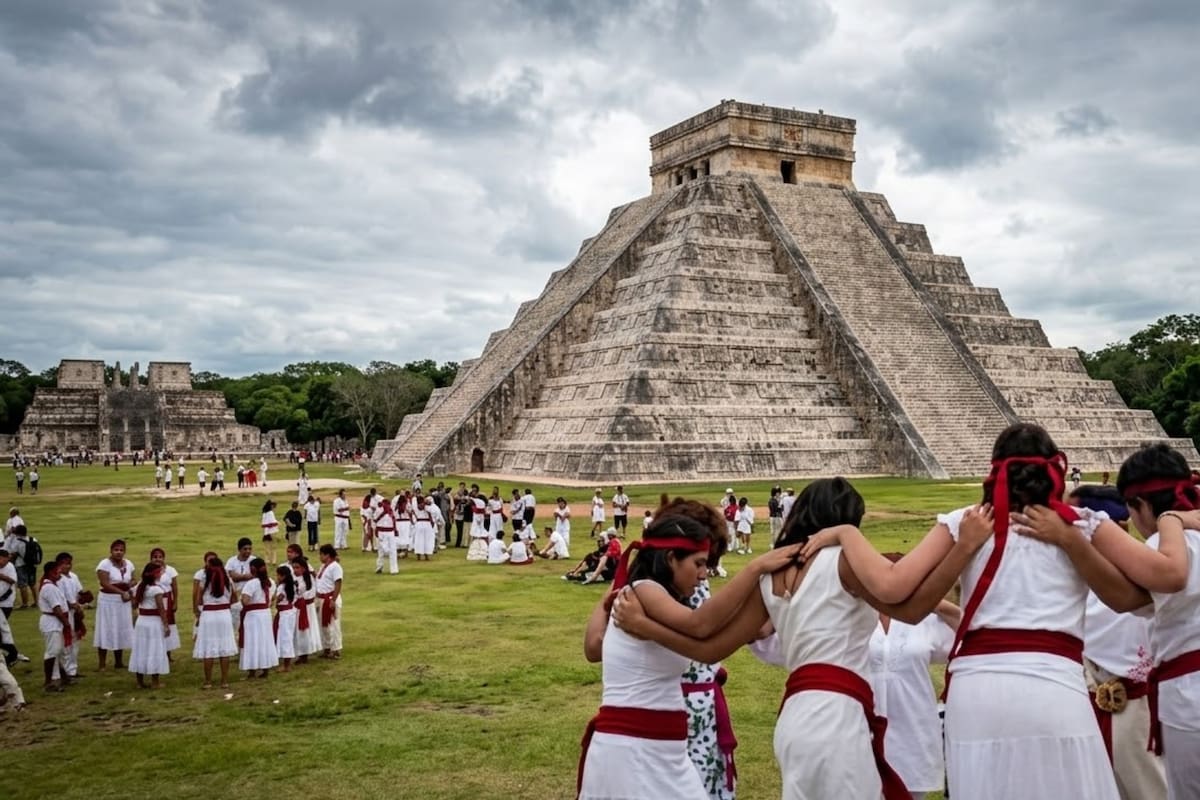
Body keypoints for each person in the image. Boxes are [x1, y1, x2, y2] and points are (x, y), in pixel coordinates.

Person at [610, 478, 996, 800]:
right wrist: (961, 549)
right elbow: (908, 605)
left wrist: (649, 629)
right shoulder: (845, 561)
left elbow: (709, 647)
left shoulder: (772, 573)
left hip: (795, 716)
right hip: (837, 715)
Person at [929, 423, 1139, 800]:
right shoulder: (1082, 525)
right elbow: (1132, 597)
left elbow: (899, 594)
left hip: (977, 692)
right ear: (1055, 468)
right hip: (1055, 687)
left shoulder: (967, 523)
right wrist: (1072, 541)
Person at [1016, 443, 1199, 798]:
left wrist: (1073, 538)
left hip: (1190, 694)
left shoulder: (1166, 542)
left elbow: (1126, 597)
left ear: (1141, 507)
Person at [577, 514, 800, 799]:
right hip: (635, 749)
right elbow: (701, 625)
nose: (704, 573)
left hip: (657, 748)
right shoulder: (645, 589)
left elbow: (710, 649)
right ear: (671, 558)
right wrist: (755, 568)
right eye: (698, 563)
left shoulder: (651, 600)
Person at [1068, 483, 1167, 800]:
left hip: (1136, 702)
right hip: (1082, 699)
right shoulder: (1072, 574)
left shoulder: (1147, 571)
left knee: (1148, 785)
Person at [192, 553, 237, 689]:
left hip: (209, 615)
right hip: (223, 615)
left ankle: (208, 681)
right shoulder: (228, 580)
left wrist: (199, 611)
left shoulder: (204, 579)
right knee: (224, 648)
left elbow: (198, 599)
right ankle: (224, 681)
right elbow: (234, 599)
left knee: (208, 648)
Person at [94, 539, 136, 672]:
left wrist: (130, 586)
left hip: (123, 601)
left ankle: (119, 661)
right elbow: (105, 583)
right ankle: (102, 663)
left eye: (121, 550)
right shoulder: (104, 564)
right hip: (108, 601)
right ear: (111, 551)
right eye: (116, 550)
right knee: (106, 629)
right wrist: (121, 592)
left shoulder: (128, 563)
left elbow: (134, 578)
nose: (119, 552)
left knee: (121, 628)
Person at [128, 563, 170, 689]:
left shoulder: (140, 587)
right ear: (155, 574)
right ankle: (155, 682)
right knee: (154, 649)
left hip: (142, 621)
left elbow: (134, 604)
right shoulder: (156, 589)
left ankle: (139, 682)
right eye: (160, 572)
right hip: (153, 622)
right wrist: (166, 624)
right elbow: (161, 608)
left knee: (141, 649)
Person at [237, 558, 277, 677]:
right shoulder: (271, 582)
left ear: (252, 569)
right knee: (264, 639)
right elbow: (273, 597)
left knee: (252, 639)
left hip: (253, 615)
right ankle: (265, 668)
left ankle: (252, 669)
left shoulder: (251, 583)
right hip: (265, 613)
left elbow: (245, 600)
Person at [37, 561, 70, 692]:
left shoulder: (50, 585)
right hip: (52, 621)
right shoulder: (49, 588)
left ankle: (63, 676)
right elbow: (56, 608)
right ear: (51, 572)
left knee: (58, 650)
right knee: (53, 650)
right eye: (58, 570)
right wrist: (65, 622)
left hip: (54, 621)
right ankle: (49, 681)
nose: (60, 573)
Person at [148, 548, 180, 658]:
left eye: (160, 557)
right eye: (155, 557)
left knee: (168, 623)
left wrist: (175, 602)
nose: (158, 559)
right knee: (157, 623)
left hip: (167, 599)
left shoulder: (170, 570)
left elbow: (175, 587)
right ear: (151, 558)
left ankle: (168, 653)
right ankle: (156, 651)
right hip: (154, 600)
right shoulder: (149, 570)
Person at [291, 557, 320, 664]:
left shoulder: (309, 579)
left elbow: (312, 592)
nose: (295, 570)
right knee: (298, 631)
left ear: (303, 568)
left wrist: (302, 597)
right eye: (293, 567)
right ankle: (300, 653)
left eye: (297, 567)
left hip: (307, 608)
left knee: (306, 630)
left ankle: (305, 653)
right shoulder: (293, 579)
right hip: (297, 608)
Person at [316, 545, 343, 659]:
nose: (320, 557)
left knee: (333, 624)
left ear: (327, 555)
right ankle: (326, 647)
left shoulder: (335, 567)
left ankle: (335, 649)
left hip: (330, 597)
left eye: (321, 554)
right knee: (323, 625)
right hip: (321, 598)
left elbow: (338, 583)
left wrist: (333, 599)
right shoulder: (323, 566)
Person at [273, 565, 298, 673]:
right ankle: (286, 662)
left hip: (285, 614)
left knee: (285, 638)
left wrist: (272, 601)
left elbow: (278, 599)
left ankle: (286, 665)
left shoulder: (282, 587)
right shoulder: (292, 585)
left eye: (278, 575)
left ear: (282, 576)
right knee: (287, 637)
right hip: (290, 612)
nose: (277, 577)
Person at [225, 538, 255, 628]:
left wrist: (239, 577)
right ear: (239, 549)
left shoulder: (254, 560)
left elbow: (255, 576)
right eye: (245, 549)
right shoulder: (231, 561)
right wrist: (246, 576)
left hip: (249, 595)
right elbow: (231, 576)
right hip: (236, 595)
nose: (248, 551)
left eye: (250, 549)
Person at [374, 497, 398, 575]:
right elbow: (375, 520)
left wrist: (395, 530)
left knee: (392, 550)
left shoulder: (392, 511)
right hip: (382, 532)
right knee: (382, 551)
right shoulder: (379, 510)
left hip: (390, 532)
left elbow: (394, 521)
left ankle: (393, 569)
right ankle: (379, 567)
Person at [412, 496, 436, 561]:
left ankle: (422, 556)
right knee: (425, 540)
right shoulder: (423, 506)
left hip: (421, 523)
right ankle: (424, 556)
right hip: (425, 523)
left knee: (420, 540)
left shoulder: (417, 506)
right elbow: (421, 508)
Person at [467, 490, 489, 561]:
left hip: (478, 522)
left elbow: (470, 499)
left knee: (478, 535)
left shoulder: (478, 505)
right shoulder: (478, 505)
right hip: (478, 521)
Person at [261, 500, 279, 565]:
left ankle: (267, 559)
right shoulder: (271, 513)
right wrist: (277, 523)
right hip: (272, 531)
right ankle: (273, 560)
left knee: (267, 546)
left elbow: (263, 524)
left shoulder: (264, 514)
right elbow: (272, 522)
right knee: (274, 546)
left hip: (266, 532)